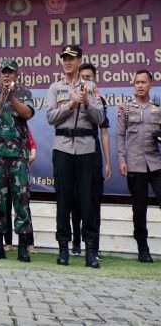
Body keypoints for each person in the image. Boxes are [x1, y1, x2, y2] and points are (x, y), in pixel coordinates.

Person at [46, 44, 104, 268]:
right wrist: (71, 104)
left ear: (80, 60)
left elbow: (99, 119)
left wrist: (87, 102)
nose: (67, 62)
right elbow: (51, 117)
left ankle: (90, 250)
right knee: (63, 199)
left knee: (87, 200)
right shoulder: (54, 88)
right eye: (64, 58)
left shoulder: (90, 86)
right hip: (62, 148)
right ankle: (63, 248)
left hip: (86, 148)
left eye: (72, 58)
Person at [0, 59, 35, 262]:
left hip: (18, 156)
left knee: (21, 199)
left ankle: (22, 247)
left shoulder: (24, 93)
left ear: (16, 75)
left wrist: (12, 98)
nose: (6, 76)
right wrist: (1, 100)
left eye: (10, 73)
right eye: (4, 72)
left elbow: (27, 113)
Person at [116, 70, 161, 263]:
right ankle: (143, 248)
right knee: (139, 209)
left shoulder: (157, 108)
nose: (140, 85)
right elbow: (119, 135)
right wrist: (121, 159)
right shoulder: (125, 108)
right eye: (137, 82)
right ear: (133, 85)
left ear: (151, 84)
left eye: (144, 82)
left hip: (156, 163)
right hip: (134, 165)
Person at [70, 63, 111, 258]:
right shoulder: (72, 96)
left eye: (89, 77)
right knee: (76, 199)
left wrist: (108, 161)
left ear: (96, 78)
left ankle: (93, 245)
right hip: (74, 153)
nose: (86, 80)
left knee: (93, 201)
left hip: (93, 155)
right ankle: (76, 242)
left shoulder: (99, 99)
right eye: (83, 77)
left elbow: (104, 132)